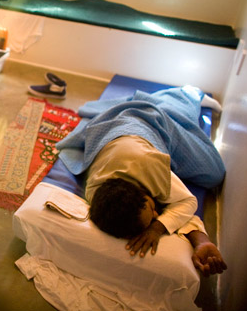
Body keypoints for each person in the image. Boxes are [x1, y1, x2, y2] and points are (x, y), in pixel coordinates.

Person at [56, 86, 227, 276]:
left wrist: (157, 228)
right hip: (117, 131)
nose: (157, 212)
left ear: (142, 189)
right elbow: (172, 209)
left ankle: (189, 93)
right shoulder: (97, 192)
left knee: (214, 173)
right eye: (155, 214)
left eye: (152, 210)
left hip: (151, 122)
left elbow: (187, 201)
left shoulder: (151, 167)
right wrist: (201, 240)